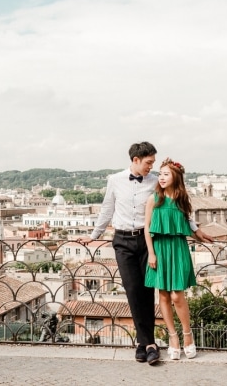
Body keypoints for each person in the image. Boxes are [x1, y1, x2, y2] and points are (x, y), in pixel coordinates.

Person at [82, 142, 213, 365]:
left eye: (153, 163)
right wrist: (95, 235)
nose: (151, 168)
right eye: (148, 163)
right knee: (133, 290)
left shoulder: (156, 182)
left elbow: (179, 203)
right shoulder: (115, 180)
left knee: (148, 291)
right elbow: (107, 208)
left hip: (147, 241)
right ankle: (145, 343)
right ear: (136, 160)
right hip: (122, 240)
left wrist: (195, 229)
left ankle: (148, 344)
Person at [144, 157, 198, 360]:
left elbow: (189, 224)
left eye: (166, 174)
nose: (162, 177)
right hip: (159, 249)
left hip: (178, 249)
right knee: (164, 296)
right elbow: (147, 230)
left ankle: (187, 334)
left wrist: (201, 235)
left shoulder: (182, 199)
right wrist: (151, 253)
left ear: (176, 177)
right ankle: (173, 337)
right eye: (160, 174)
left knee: (177, 295)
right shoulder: (153, 199)